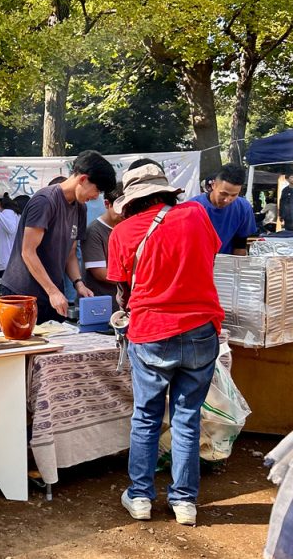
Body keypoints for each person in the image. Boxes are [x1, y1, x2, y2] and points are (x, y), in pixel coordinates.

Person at [107, 163, 223, 527]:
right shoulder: (196, 214)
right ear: (165, 190)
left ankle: (140, 497)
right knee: (187, 418)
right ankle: (184, 503)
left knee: (146, 416)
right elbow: (208, 258)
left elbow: (122, 290)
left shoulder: (122, 232)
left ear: (131, 200)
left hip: (152, 331)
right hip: (201, 328)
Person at [1, 150, 116, 323]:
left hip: (52, 294)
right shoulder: (45, 201)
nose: (95, 197)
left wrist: (79, 283)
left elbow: (70, 254)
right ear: (83, 179)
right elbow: (28, 252)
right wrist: (52, 291)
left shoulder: (80, 209)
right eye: (97, 190)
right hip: (23, 294)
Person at [191, 163, 257, 255]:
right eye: (223, 193)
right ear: (213, 185)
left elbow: (240, 245)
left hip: (227, 263)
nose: (227, 200)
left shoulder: (243, 208)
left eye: (234, 195)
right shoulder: (193, 207)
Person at [81, 183, 124, 312]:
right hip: (102, 306)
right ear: (107, 204)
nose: (124, 213)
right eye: (119, 208)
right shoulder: (94, 231)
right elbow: (100, 273)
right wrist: (134, 280)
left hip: (125, 303)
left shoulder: (128, 227)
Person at [0, 186, 20, 278]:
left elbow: (11, 228)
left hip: (9, 264)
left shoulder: (7, 212)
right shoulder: (11, 213)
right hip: (10, 263)